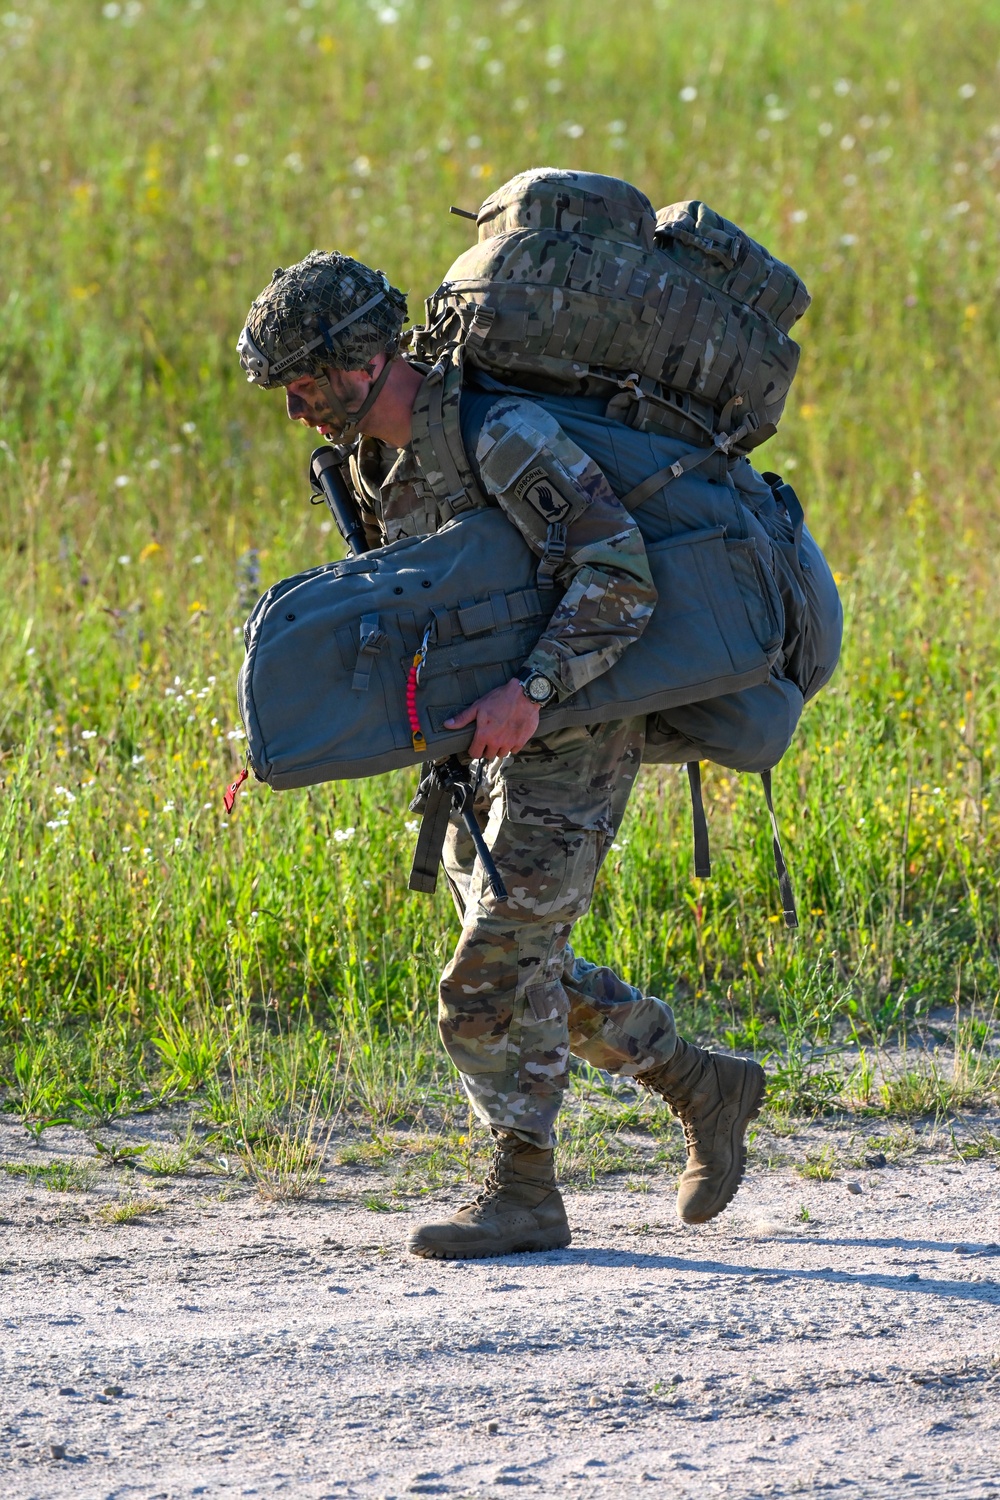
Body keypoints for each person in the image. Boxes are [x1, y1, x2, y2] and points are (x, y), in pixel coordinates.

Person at [237, 250, 766, 1260]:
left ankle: (524, 1195)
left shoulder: (502, 436)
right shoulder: (367, 461)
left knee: (486, 977)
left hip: (569, 728)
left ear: (362, 360)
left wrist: (528, 691)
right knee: (527, 967)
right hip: (476, 745)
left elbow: (618, 577)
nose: (297, 405)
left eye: (306, 381)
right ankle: (703, 1083)